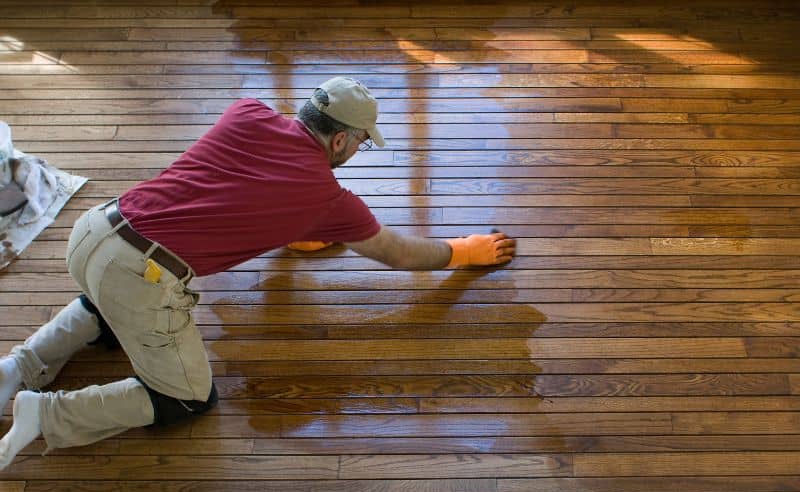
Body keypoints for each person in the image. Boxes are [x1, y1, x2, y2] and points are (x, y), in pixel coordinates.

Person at [0, 77, 516, 469]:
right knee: (185, 397)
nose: (359, 151)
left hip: (95, 230)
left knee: (106, 305)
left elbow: (237, 186)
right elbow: (399, 253)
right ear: (340, 143)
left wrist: (296, 228)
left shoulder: (246, 113)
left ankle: (16, 368)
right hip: (138, 274)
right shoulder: (326, 196)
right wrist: (462, 251)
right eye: (361, 141)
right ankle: (46, 414)